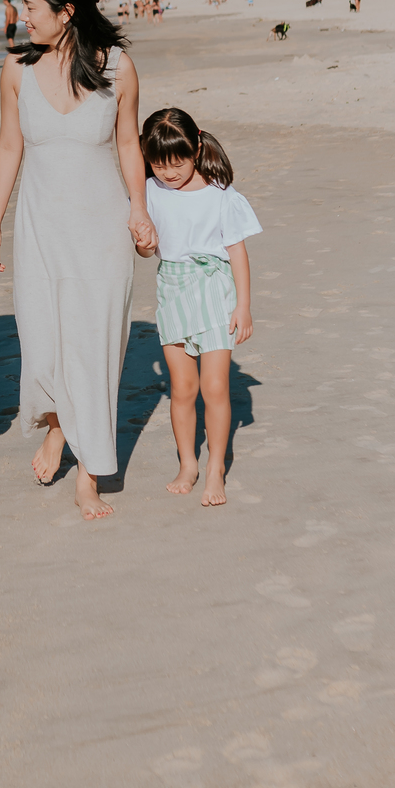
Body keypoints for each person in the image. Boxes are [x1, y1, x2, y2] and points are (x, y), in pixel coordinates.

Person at [0, 0, 156, 521]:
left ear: (67, 10)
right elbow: (10, 149)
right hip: (39, 226)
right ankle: (57, 425)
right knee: (44, 340)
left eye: (32, 6)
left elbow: (129, 145)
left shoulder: (116, 67)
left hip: (101, 226)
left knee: (94, 345)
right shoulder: (16, 69)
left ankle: (89, 473)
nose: (22, 15)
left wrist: (139, 210)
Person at [136, 108, 259, 508]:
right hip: (172, 288)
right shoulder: (150, 191)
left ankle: (215, 469)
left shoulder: (221, 195)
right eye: (158, 164)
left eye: (177, 162)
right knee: (183, 389)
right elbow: (147, 248)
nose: (168, 172)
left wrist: (243, 305)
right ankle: (188, 463)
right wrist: (144, 243)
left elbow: (237, 252)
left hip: (213, 290)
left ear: (197, 148)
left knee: (215, 387)